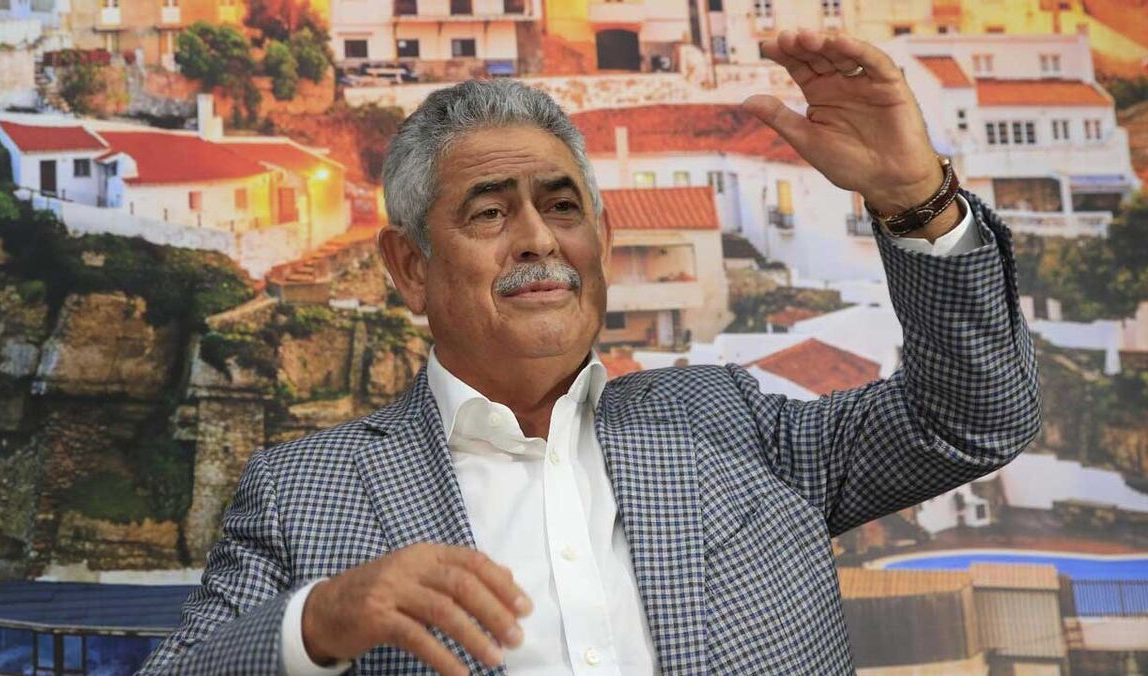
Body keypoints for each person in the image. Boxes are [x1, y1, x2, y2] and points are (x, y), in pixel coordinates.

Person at [138, 28, 1041, 675]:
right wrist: (318, 624)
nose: (538, 238)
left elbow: (972, 422)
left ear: (601, 242)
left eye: (562, 206)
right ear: (411, 267)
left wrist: (917, 203)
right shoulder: (305, 495)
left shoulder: (734, 426)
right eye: (489, 212)